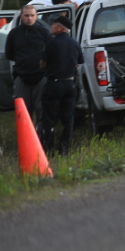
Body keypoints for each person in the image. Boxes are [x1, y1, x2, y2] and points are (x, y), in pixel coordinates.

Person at [39, 15, 84, 155]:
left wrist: (49, 68)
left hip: (54, 84)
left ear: (61, 28)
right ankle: (65, 150)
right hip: (70, 85)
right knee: (68, 119)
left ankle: (49, 149)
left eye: (53, 25)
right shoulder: (76, 43)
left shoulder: (51, 43)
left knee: (49, 118)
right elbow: (78, 62)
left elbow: (42, 63)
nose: (51, 26)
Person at [4, 5, 51, 124]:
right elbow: (9, 54)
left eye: (32, 15)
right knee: (23, 113)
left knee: (42, 111)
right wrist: (23, 62)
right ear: (21, 17)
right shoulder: (14, 34)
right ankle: (25, 141)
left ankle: (42, 140)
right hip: (22, 77)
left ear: (36, 16)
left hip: (41, 77)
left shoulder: (45, 32)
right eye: (26, 15)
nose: (29, 18)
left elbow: (54, 52)